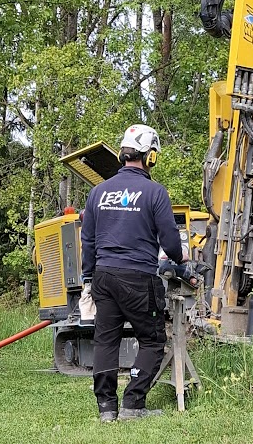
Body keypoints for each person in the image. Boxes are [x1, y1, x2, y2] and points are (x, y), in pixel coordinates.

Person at [81, 123, 195, 422]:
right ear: (150, 156)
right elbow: (170, 242)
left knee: (106, 341)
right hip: (138, 278)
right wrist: (180, 256)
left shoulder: (98, 192)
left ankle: (107, 409)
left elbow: (88, 241)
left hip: (103, 276)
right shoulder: (155, 192)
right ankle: (133, 404)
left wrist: (88, 278)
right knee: (153, 340)